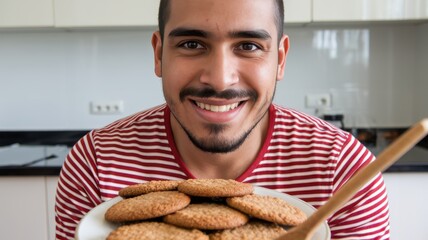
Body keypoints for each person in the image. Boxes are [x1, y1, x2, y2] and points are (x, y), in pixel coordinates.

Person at [54, 0, 390, 239]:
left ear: (280, 59)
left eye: (248, 45)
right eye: (191, 43)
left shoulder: (343, 169)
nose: (220, 79)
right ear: (159, 54)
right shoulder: (96, 162)